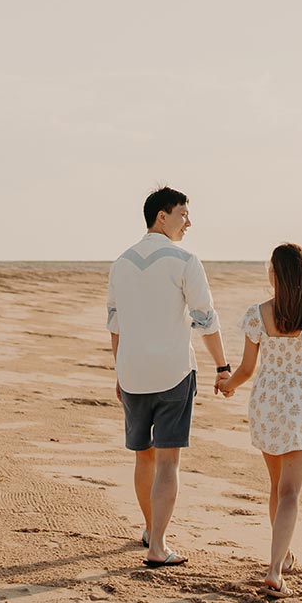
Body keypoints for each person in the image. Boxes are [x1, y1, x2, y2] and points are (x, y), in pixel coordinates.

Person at [106, 186, 233, 568]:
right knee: (167, 463)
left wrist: (119, 369)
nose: (188, 222)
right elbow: (205, 318)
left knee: (143, 458)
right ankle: (158, 545)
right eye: (183, 214)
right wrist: (223, 366)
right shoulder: (184, 259)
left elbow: (114, 324)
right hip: (173, 372)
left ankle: (149, 528)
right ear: (162, 216)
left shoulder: (121, 262)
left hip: (132, 373)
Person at [218, 242, 302, 598]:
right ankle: (275, 568)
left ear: (275, 273)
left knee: (277, 487)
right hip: (300, 404)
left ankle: (282, 557)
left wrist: (228, 386)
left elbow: (246, 369)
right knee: (290, 492)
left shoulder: (258, 314)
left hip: (266, 403)